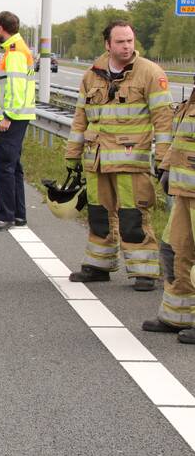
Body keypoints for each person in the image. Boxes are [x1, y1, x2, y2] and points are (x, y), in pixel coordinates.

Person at [65, 20, 172, 291]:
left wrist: (163, 158)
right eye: (121, 42)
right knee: (99, 215)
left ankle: (144, 272)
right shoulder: (91, 75)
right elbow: (80, 118)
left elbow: (163, 120)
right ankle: (98, 265)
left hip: (131, 161)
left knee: (133, 215)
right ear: (108, 45)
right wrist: (72, 154)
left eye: (130, 41)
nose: (127, 46)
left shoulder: (150, 72)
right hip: (96, 160)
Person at [143, 89, 195, 340]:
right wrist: (166, 167)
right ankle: (177, 315)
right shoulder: (192, 99)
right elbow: (182, 137)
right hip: (186, 191)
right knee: (175, 249)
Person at [0, 11, 36, 231]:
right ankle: (18, 215)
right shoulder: (14, 50)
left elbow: (16, 88)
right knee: (13, 167)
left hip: (13, 117)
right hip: (19, 115)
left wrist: (7, 116)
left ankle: (6, 215)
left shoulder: (15, 53)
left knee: (3, 167)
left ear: (0, 28)